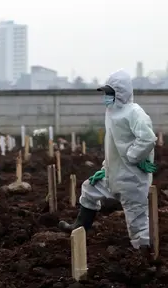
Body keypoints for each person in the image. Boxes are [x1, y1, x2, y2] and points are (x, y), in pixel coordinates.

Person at [58, 69, 157, 256]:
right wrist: (105, 169)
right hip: (114, 174)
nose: (106, 97)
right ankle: (80, 227)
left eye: (109, 93)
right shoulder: (111, 112)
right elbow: (113, 147)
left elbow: (148, 139)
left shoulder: (135, 113)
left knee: (137, 221)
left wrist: (133, 157)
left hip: (131, 179)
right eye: (105, 93)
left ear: (121, 93)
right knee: (89, 188)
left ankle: (145, 257)